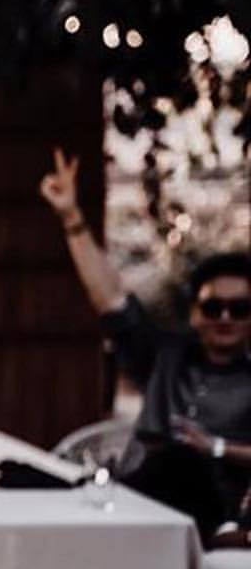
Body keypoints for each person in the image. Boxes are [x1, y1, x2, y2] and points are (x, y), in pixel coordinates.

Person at [40, 147, 251, 546]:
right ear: (195, 314)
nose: (224, 317)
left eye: (239, 309)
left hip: (210, 510)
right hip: (138, 496)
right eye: (212, 306)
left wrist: (217, 448)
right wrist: (72, 218)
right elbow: (111, 300)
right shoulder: (165, 357)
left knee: (183, 462)